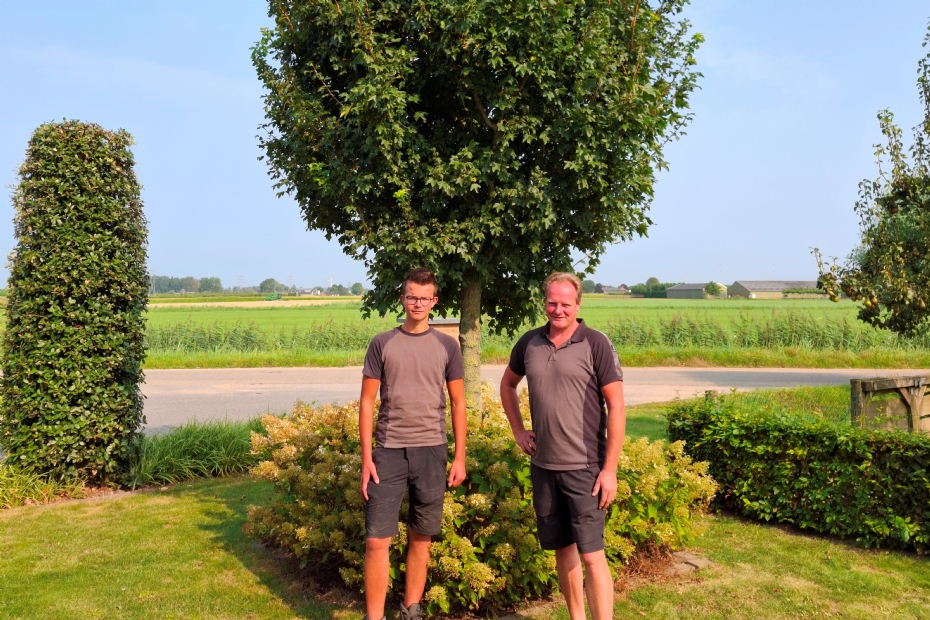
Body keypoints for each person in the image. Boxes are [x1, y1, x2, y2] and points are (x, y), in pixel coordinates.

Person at [500, 272, 626, 620]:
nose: (558, 310)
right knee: (563, 550)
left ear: (578, 304)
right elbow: (507, 385)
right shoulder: (529, 343)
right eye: (552, 303)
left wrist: (609, 470)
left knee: (591, 554)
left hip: (585, 467)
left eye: (565, 304)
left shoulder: (595, 343)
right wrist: (518, 430)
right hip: (544, 466)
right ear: (545, 302)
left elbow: (616, 406)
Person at [359, 267, 467, 620]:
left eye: (424, 298)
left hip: (431, 450)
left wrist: (459, 456)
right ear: (402, 298)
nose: (417, 303)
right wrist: (366, 459)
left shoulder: (448, 346)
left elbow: (458, 402)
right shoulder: (382, 343)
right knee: (377, 540)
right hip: (387, 452)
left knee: (421, 536)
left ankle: (411, 611)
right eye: (411, 296)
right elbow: (366, 402)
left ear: (434, 301)